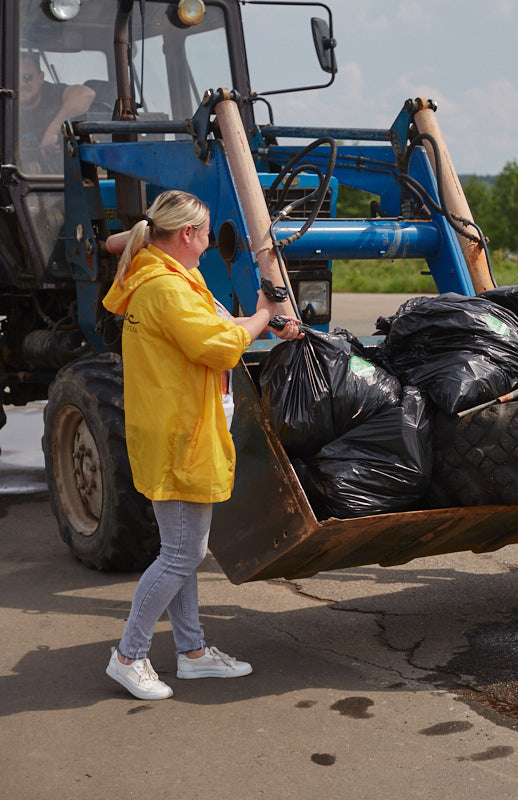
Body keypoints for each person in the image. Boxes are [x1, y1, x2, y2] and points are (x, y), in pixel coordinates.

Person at [101, 190, 301, 700]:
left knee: (181, 551)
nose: (212, 241)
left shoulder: (167, 279)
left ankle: (192, 653)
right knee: (181, 554)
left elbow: (214, 328)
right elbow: (218, 347)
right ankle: (128, 655)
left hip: (174, 425)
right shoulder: (166, 287)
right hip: (178, 432)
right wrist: (261, 314)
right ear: (187, 235)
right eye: (207, 232)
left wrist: (267, 325)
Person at [17, 52, 95, 172]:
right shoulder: (5, 99)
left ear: (41, 77)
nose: (21, 83)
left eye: (27, 77)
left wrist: (52, 132)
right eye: (16, 78)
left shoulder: (53, 94)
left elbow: (86, 94)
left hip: (58, 181)